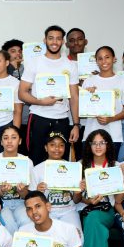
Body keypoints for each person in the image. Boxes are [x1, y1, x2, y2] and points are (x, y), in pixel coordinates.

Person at [19, 25, 80, 165]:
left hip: (62, 119)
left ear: (63, 42)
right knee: (36, 160)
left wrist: (76, 124)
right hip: (38, 118)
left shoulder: (70, 65)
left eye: (58, 39)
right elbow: (22, 93)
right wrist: (41, 102)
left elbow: (74, 97)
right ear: (45, 40)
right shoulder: (34, 63)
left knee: (60, 163)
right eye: (51, 38)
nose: (54, 42)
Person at [77, 130, 120, 247]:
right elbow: (76, 199)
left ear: (108, 145)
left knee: (95, 219)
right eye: (94, 143)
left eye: (102, 142)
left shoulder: (115, 166)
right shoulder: (81, 165)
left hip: (107, 209)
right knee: (99, 229)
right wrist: (84, 196)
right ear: (89, 146)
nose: (98, 146)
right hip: (86, 208)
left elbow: (118, 199)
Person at [0, 125, 35, 236]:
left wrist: (23, 191)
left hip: (21, 202)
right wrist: (0, 191)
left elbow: (30, 194)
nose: (9, 141)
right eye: (5, 138)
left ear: (20, 141)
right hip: (1, 203)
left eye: (14, 137)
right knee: (8, 224)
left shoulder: (27, 162)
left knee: (27, 221)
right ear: (1, 142)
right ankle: (12, 246)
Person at [81, 46, 124, 156]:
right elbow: (82, 110)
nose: (104, 61)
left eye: (107, 57)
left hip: (113, 136)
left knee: (110, 166)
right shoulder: (88, 81)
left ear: (114, 59)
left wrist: (111, 119)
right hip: (90, 135)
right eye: (100, 58)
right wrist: (87, 95)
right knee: (89, 166)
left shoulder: (122, 82)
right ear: (96, 61)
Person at [33, 132, 82, 231]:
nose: (57, 148)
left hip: (69, 211)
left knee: (77, 236)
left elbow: (76, 200)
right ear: (46, 148)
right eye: (52, 145)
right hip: (47, 212)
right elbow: (32, 200)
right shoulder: (37, 169)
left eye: (61, 145)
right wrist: (37, 192)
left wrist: (77, 193)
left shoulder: (72, 168)